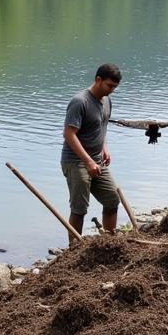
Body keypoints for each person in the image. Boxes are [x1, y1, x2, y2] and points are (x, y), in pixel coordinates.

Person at [61, 63, 122, 238]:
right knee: (79, 209)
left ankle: (108, 242)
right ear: (98, 80)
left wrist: (104, 147)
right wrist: (88, 161)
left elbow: (101, 126)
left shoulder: (107, 101)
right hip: (76, 162)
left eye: (115, 87)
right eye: (109, 86)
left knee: (112, 199)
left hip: (97, 160)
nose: (112, 90)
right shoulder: (80, 102)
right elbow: (69, 134)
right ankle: (74, 251)